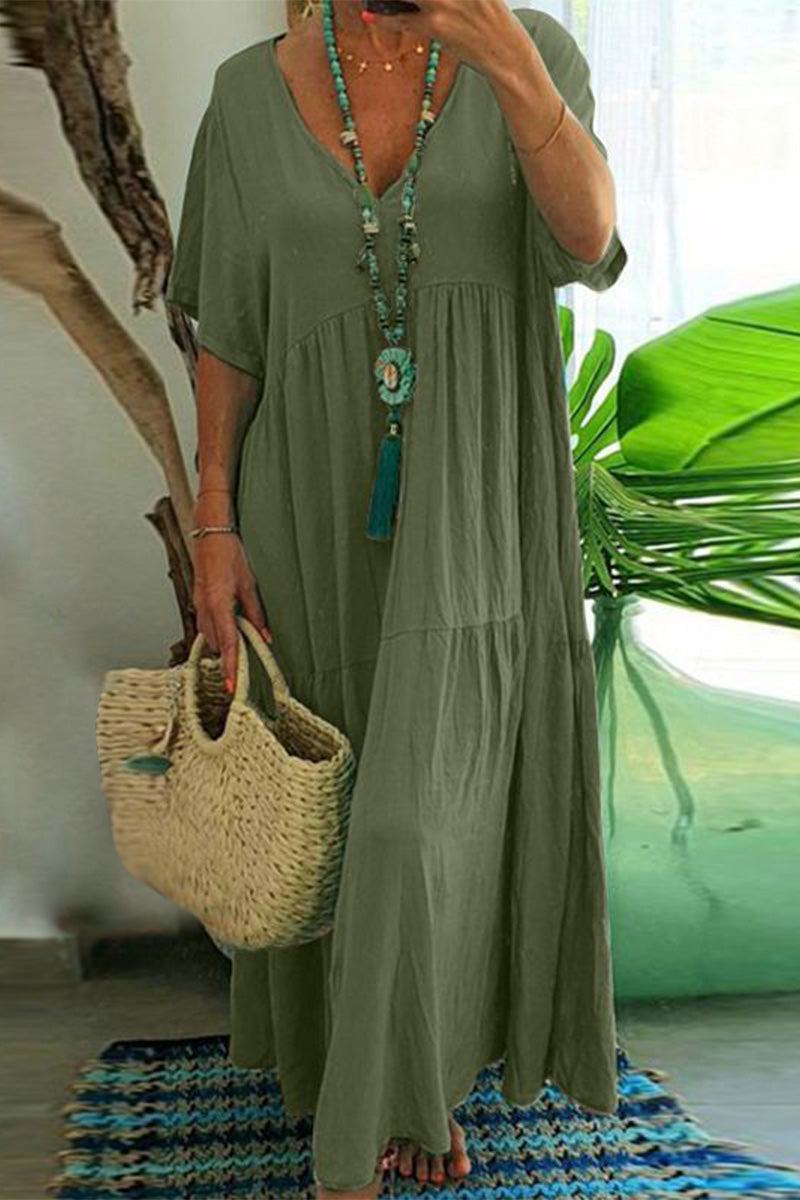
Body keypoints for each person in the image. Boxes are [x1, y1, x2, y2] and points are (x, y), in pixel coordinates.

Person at [164, 0, 628, 1195]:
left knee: (414, 822)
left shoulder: (529, 50)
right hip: (305, 502)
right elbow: (230, 334)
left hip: (478, 496)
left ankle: (354, 1147)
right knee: (340, 806)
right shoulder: (246, 92)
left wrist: (505, 58)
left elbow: (585, 240)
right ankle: (401, 1078)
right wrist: (213, 521)